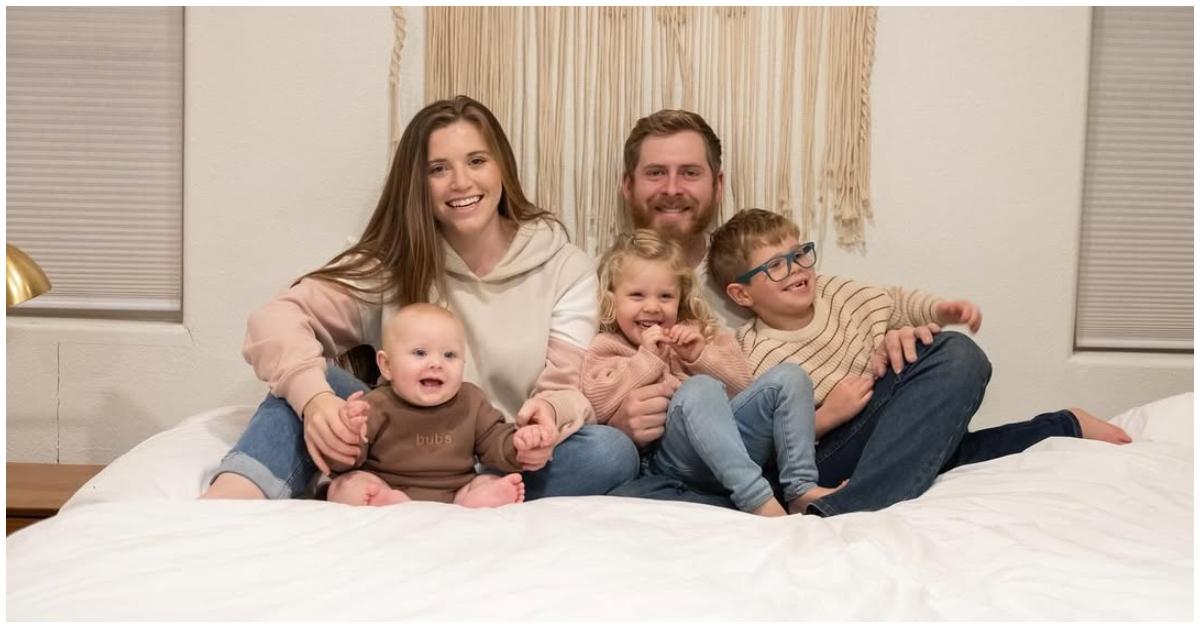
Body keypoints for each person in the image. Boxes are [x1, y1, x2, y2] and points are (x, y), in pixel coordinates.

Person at [201, 95, 639, 501]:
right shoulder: (393, 263)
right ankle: (232, 503)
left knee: (609, 451)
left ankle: (468, 495)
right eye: (438, 169)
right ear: (419, 182)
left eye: (477, 161)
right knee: (312, 383)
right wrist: (316, 402)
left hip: (500, 456)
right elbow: (274, 319)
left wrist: (545, 417)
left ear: (501, 167)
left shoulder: (563, 267)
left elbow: (566, 387)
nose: (460, 182)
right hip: (396, 458)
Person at [707, 208, 1132, 515]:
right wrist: (828, 415)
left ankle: (1065, 425)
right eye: (776, 267)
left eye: (800, 254)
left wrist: (942, 310)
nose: (797, 269)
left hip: (889, 419)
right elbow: (768, 444)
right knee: (945, 441)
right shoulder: (755, 352)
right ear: (742, 294)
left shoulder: (839, 293)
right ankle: (847, 507)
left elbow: (898, 302)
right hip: (829, 451)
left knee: (953, 356)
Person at [581, 230, 838, 516]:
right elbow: (596, 405)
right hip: (675, 462)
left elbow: (745, 388)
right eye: (637, 295)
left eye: (665, 296)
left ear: (680, 298)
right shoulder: (608, 346)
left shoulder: (701, 334)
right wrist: (647, 359)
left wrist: (700, 357)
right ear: (611, 298)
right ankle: (759, 501)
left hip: (736, 450)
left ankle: (801, 488)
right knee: (699, 388)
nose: (652, 306)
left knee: (791, 376)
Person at [326, 304, 557, 508]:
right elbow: (344, 462)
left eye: (449, 355)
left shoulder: (471, 401)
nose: (436, 363)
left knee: (487, 480)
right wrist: (350, 435)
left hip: (456, 491)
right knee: (346, 485)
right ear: (386, 365)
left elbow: (494, 441)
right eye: (420, 353)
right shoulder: (375, 404)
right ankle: (385, 502)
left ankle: (478, 501)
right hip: (386, 486)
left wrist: (519, 443)